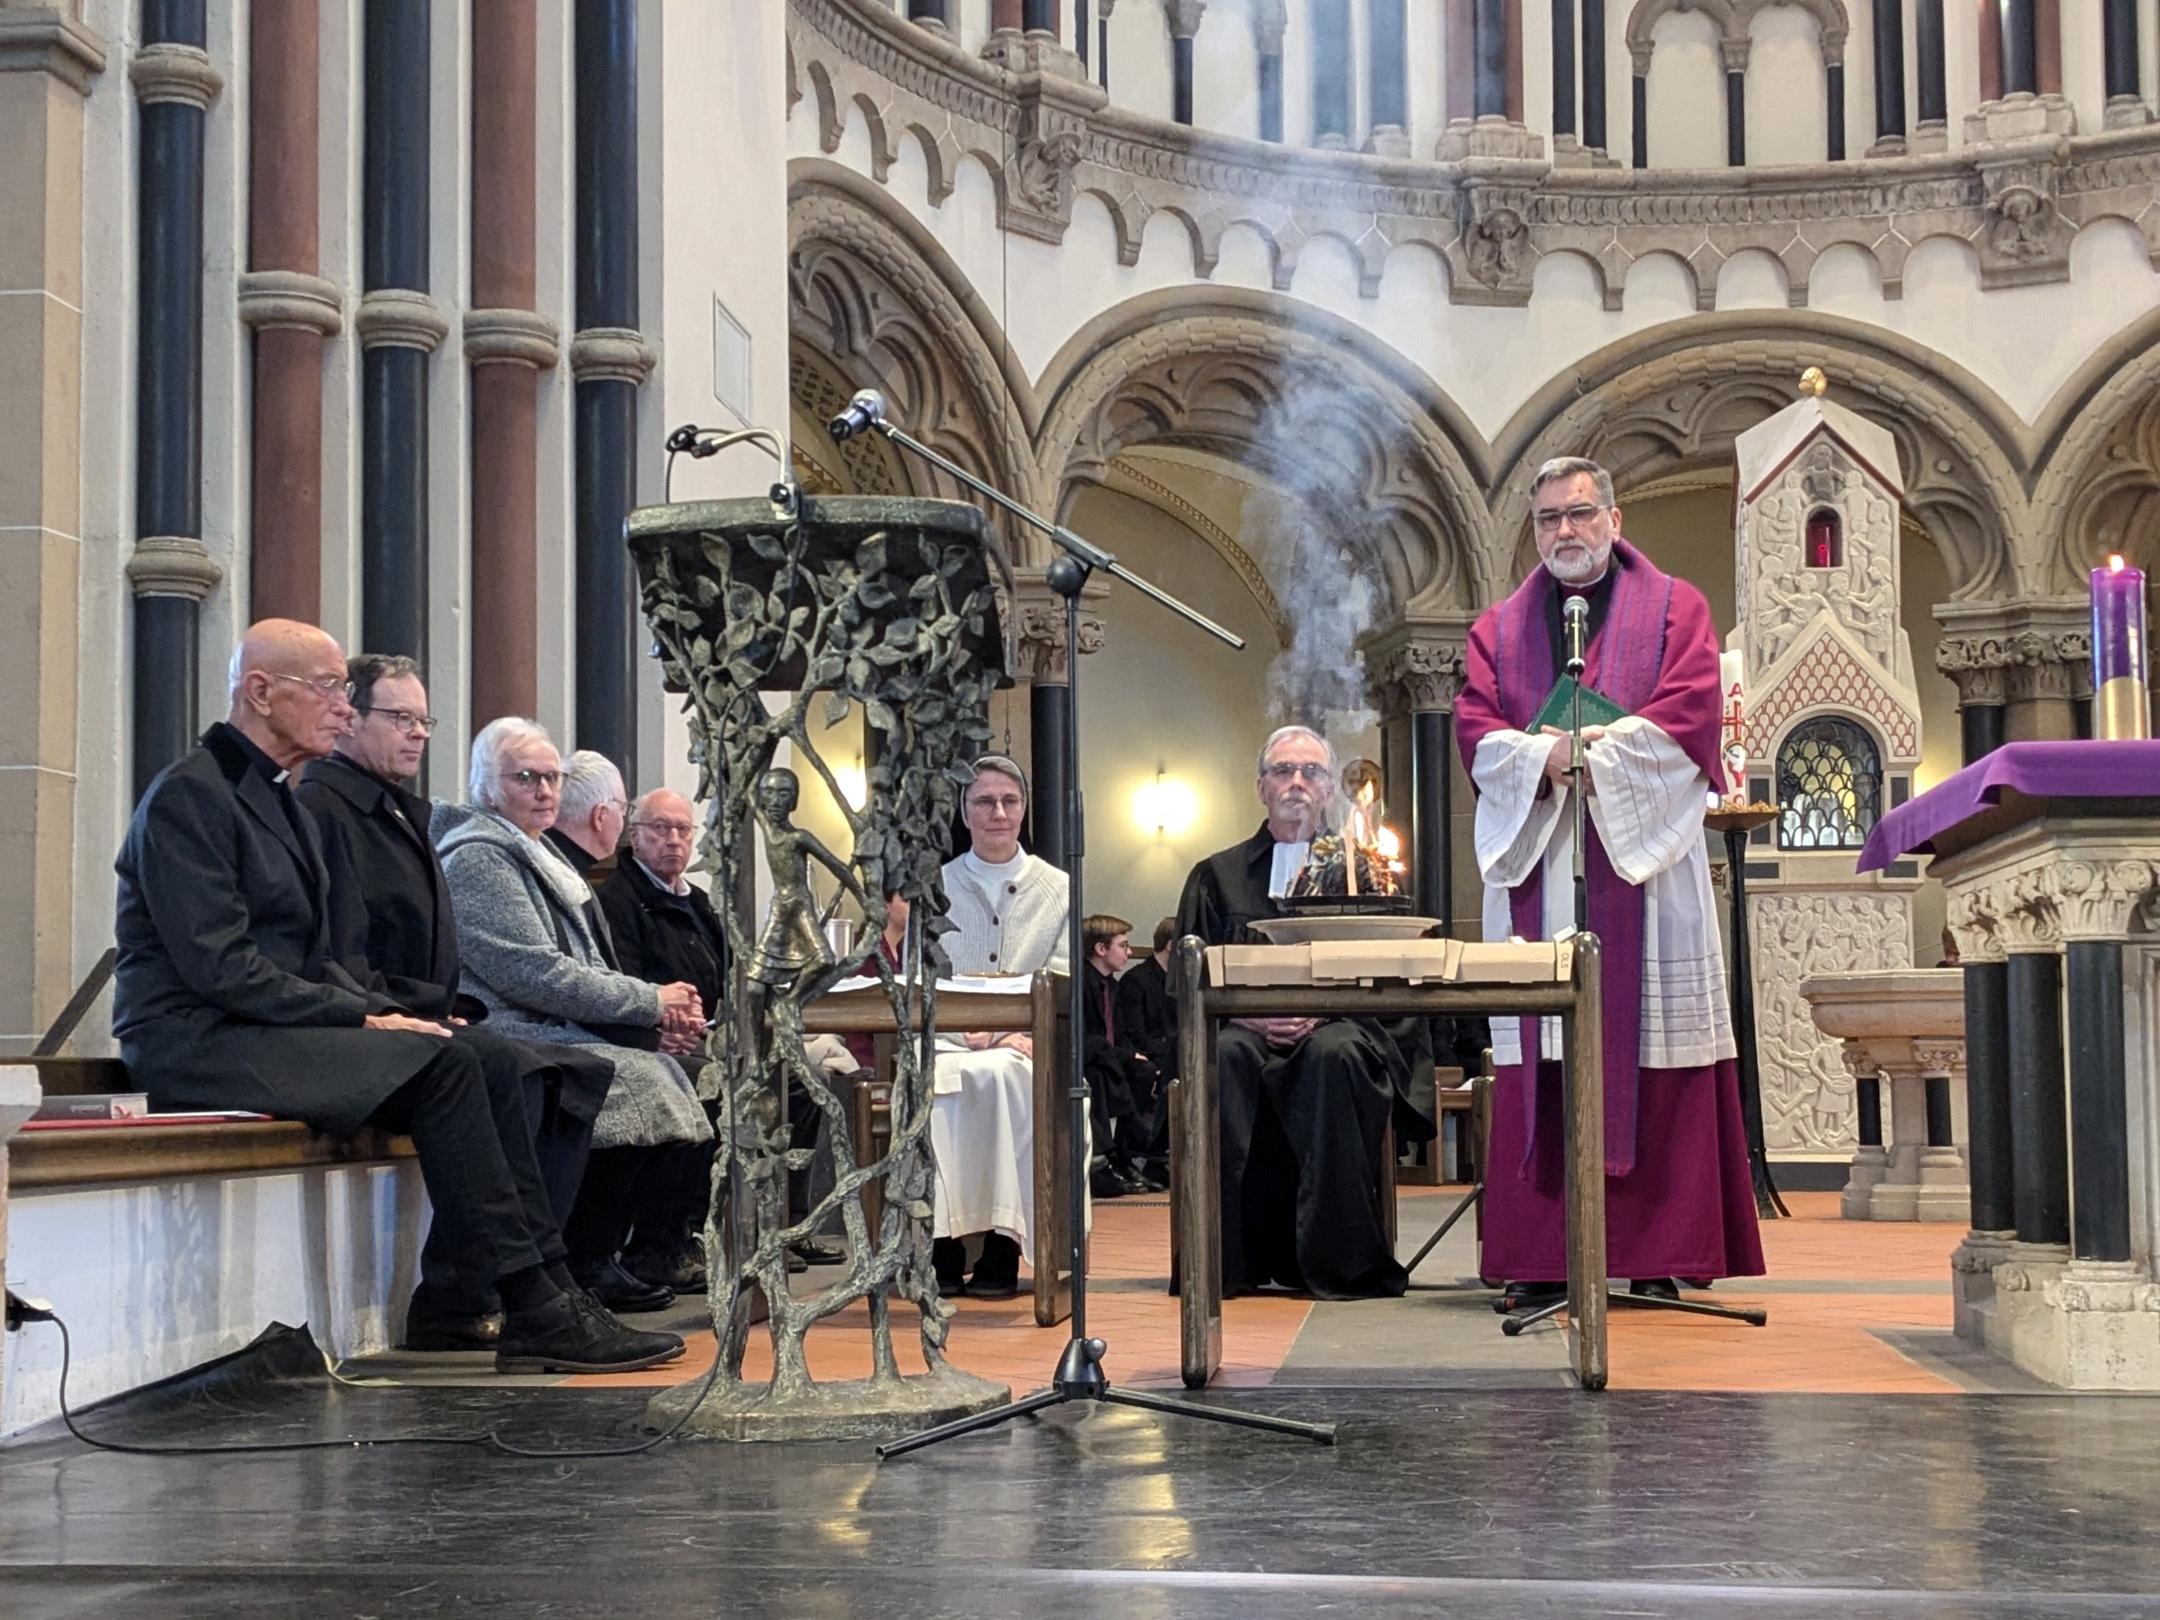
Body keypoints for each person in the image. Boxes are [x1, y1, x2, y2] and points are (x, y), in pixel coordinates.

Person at [112, 619, 678, 1373]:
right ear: (259, 691)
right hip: (196, 1036)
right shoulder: (191, 796)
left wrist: (403, 1012)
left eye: (347, 694)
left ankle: (531, 1290)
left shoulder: (279, 799)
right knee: (446, 1067)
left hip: (262, 1023)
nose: (343, 709)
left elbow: (316, 959)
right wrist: (360, 1013)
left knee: (485, 1055)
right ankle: (532, 1301)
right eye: (327, 689)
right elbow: (221, 968)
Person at [1454, 455, 1764, 1309]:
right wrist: (1544, 757)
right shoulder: (1498, 628)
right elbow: (1476, 725)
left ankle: (1660, 1250)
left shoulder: (1677, 608)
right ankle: (1542, 1257)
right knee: (1543, 1054)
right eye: (1549, 518)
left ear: (1615, 519)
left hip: (1647, 865)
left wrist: (1594, 754)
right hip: (1546, 856)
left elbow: (1692, 709)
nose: (1565, 531)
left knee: (1658, 1045)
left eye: (1581, 514)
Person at [296, 653, 616, 1349]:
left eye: (422, 720)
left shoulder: (390, 809)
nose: (415, 733)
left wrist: (442, 1006)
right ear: (349, 718)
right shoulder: (325, 809)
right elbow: (337, 943)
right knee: (504, 1067)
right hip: (356, 1020)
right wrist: (400, 1007)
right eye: (399, 718)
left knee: (558, 1072)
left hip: (413, 1012)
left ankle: (535, 1287)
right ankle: (491, 1293)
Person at [435, 720, 715, 1314]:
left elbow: (584, 968)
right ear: (488, 787)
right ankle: (581, 1259)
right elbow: (533, 972)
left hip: (552, 1025)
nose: (544, 791)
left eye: (552, 778)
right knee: (635, 1078)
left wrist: (652, 1020)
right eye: (526, 778)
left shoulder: (532, 852)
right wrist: (649, 1003)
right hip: (507, 1027)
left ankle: (605, 1252)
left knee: (674, 1072)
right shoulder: (480, 858)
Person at [1175, 726, 1433, 1299]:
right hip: (1241, 1024)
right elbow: (1188, 981)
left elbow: (1390, 971)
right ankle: (1225, 1261)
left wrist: (1321, 1013)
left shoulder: (1366, 868)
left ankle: (1340, 1262)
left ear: (1329, 788)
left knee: (1333, 1053)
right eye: (1283, 771)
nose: (1297, 783)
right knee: (1225, 1055)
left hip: (1342, 1025)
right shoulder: (1216, 876)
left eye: (1311, 772)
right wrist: (1249, 1017)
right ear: (1260, 786)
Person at [602, 785, 845, 1275]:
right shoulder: (620, 900)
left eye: (682, 829)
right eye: (660, 829)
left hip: (713, 1036)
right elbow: (618, 976)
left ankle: (784, 1226)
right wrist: (658, 1024)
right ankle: (671, 1242)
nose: (673, 840)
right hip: (656, 1039)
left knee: (802, 1085)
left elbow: (733, 972)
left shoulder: (699, 901)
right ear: (635, 836)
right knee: (709, 1087)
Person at [931, 755, 1070, 1299]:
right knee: (939, 1086)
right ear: (965, 812)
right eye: (984, 801)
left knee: (1008, 1077)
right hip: (947, 1038)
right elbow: (924, 971)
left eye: (1010, 801)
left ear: (1023, 810)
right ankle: (941, 1242)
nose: (998, 812)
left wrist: (1014, 1030)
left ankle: (1001, 1246)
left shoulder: (1056, 886)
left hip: (1024, 1039)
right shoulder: (937, 884)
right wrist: (964, 1030)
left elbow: (1059, 976)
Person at [1078, 913, 1166, 1196]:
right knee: (1102, 1076)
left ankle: (1129, 1155)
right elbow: (1086, 1036)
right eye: (1123, 945)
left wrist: (1131, 1055)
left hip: (1107, 1053)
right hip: (1088, 1057)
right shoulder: (1081, 983)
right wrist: (1125, 1055)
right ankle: (1107, 1160)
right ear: (1101, 949)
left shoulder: (1112, 986)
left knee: (1145, 1071)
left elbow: (1122, 1033)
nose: (1129, 952)